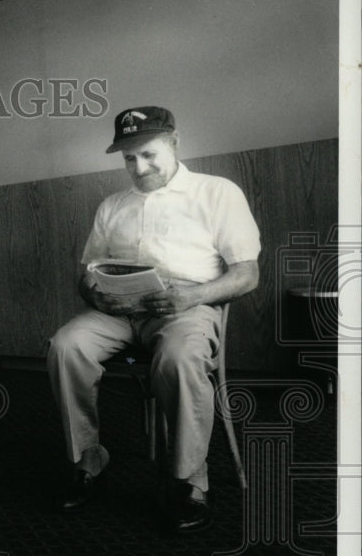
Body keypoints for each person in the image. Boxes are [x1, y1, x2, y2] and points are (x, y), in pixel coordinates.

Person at [47, 106, 260, 532]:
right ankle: (89, 459)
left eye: (148, 155)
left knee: (180, 358)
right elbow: (85, 273)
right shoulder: (113, 205)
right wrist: (95, 294)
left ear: (174, 143)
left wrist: (193, 296)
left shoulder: (217, 192)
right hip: (120, 311)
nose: (138, 167)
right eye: (129, 159)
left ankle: (188, 480)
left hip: (188, 306)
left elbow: (247, 275)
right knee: (64, 347)